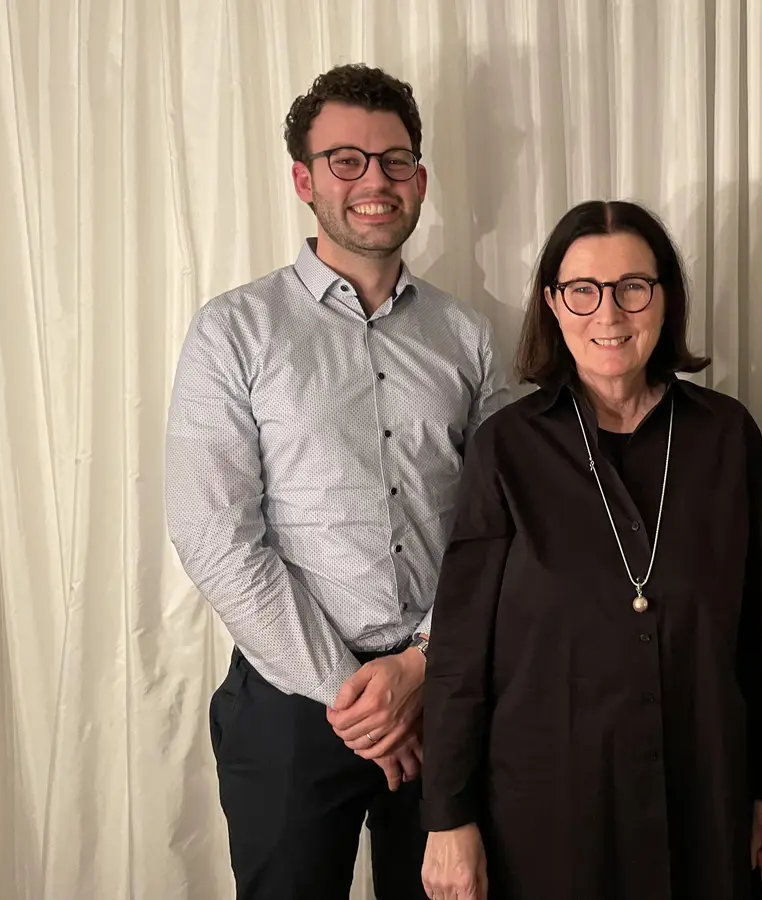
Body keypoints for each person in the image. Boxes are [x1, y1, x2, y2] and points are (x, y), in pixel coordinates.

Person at [164, 63, 509, 899]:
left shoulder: (468, 335)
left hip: (444, 695)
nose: (374, 182)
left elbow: (496, 527)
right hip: (288, 706)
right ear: (304, 179)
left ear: (419, 179)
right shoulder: (233, 331)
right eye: (345, 160)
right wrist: (358, 700)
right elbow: (214, 531)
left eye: (394, 160)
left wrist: (419, 668)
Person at [416, 200, 762, 900]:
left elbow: (759, 632)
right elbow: (461, 651)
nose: (609, 313)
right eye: (583, 291)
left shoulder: (726, 435)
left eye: (632, 287)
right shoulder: (506, 448)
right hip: (550, 811)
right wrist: (448, 817)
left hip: (703, 799)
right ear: (552, 306)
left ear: (665, 298)